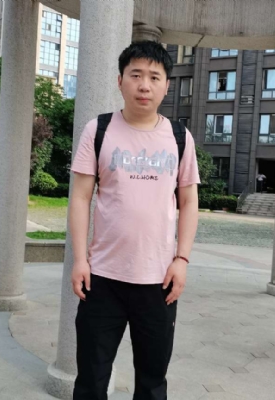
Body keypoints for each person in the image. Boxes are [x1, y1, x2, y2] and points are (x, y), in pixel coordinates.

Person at [70, 41, 200, 400]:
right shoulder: (98, 130)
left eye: (154, 77)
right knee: (91, 380)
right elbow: (80, 197)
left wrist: (182, 259)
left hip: (158, 281)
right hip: (102, 279)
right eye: (136, 75)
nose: (144, 85)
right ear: (120, 80)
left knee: (152, 382)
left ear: (166, 85)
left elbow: (189, 201)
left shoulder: (179, 137)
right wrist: (79, 260)